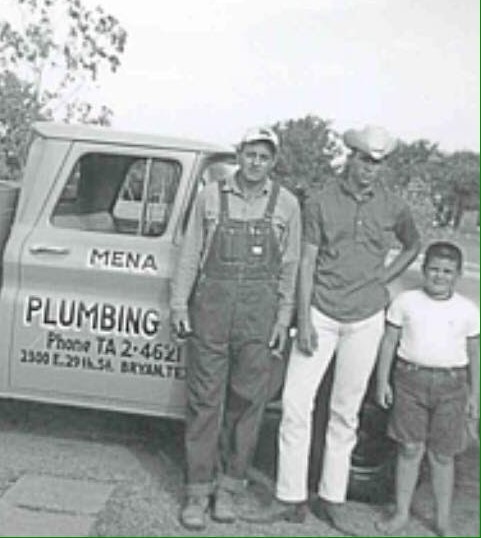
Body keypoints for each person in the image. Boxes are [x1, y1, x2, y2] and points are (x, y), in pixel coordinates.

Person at [256, 125, 421, 533]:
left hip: (365, 317)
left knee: (345, 413)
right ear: (351, 158)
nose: (369, 169)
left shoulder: (393, 205)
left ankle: (332, 498)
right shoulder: (321, 200)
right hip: (322, 313)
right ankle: (289, 497)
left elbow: (413, 245)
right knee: (296, 404)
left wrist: (385, 277)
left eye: (377, 163)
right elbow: (307, 262)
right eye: (364, 160)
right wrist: (305, 319)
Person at [170, 126, 301, 530]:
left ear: (273, 161)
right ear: (239, 155)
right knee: (205, 402)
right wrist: (178, 303)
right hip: (211, 310)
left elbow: (291, 267)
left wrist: (282, 318)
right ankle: (197, 493)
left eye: (264, 156)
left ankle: (228, 489)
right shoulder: (211, 195)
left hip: (258, 318)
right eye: (250, 154)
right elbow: (191, 252)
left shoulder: (287, 205)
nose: (255, 163)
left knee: (247, 404)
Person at [375, 241, 480, 536]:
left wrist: (475, 396)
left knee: (443, 455)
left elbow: (475, 355)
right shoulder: (405, 301)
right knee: (409, 449)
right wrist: (382, 381)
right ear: (423, 270)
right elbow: (388, 343)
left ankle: (442, 519)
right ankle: (401, 513)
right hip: (410, 380)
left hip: (452, 385)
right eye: (434, 269)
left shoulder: (468, 310)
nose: (439, 276)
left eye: (447, 271)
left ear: (458, 274)